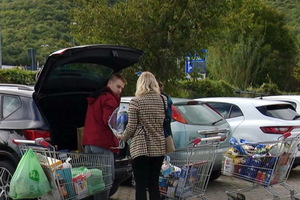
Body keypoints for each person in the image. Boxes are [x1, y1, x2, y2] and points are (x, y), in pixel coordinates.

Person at [117, 71, 166, 200]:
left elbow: (131, 126)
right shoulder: (163, 100)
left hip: (141, 148)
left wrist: (123, 136)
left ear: (140, 84)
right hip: (159, 147)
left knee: (140, 185)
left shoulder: (136, 101)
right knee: (154, 183)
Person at [82, 73, 127, 199]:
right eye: (118, 86)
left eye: (121, 88)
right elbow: (109, 121)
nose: (119, 90)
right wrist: (119, 133)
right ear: (110, 83)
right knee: (106, 179)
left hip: (89, 143)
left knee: (94, 179)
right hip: (102, 144)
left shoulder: (96, 98)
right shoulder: (109, 99)